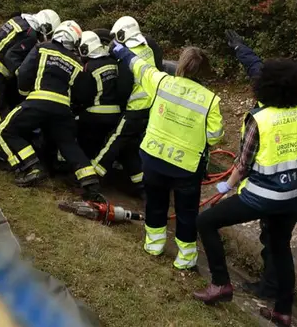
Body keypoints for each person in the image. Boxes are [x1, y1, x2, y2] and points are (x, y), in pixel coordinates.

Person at [193, 58, 297, 327]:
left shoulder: (259, 119)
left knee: (206, 221)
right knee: (281, 248)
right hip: (292, 197)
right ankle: (283, 312)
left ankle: (220, 284)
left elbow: (244, 163)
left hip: (261, 197)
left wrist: (226, 187)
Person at [225, 30, 297, 299]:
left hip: (275, 185)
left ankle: (269, 287)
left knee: (274, 238)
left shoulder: (264, 115)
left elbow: (246, 161)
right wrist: (240, 49)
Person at [110, 42, 224, 270]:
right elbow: (214, 136)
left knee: (155, 203)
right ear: (204, 71)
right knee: (186, 212)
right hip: (186, 167)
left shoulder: (162, 82)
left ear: (181, 65)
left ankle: (154, 245)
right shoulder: (211, 100)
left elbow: (139, 66)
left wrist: (119, 49)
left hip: (153, 158)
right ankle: (185, 258)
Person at [0, 21, 101, 198]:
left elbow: (25, 73)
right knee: (68, 144)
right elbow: (83, 93)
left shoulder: (42, 48)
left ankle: (30, 167)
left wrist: (24, 93)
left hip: (39, 100)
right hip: (62, 109)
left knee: (4, 130)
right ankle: (91, 182)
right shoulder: (76, 62)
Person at [0, 10, 61, 171]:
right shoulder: (29, 35)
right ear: (45, 26)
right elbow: (12, 57)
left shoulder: (17, 21)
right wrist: (22, 77)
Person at [92, 16, 163, 198]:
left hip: (136, 107)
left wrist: (120, 105)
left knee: (115, 140)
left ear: (123, 35)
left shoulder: (128, 57)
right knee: (131, 144)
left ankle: (93, 175)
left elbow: (124, 87)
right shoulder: (146, 47)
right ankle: (142, 184)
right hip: (152, 106)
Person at [72, 30, 124, 159]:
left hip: (94, 115)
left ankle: (84, 172)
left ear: (84, 49)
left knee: (86, 147)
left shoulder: (89, 67)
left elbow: (82, 95)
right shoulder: (114, 62)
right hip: (116, 115)